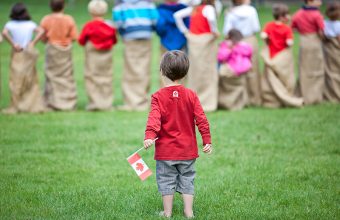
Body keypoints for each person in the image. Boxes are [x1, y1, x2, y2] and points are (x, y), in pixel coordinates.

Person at [144, 50, 212, 218]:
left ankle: (167, 213)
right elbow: (201, 119)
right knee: (187, 178)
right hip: (187, 150)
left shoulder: (158, 97)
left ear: (161, 71)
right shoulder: (191, 95)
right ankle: (189, 212)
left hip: (166, 152)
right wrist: (207, 140)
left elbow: (154, 119)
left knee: (166, 180)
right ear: (185, 72)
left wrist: (149, 136)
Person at [113, 0, 159, 111]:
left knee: (131, 69)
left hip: (130, 36)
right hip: (146, 36)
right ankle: (142, 100)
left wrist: (123, 32)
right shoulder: (148, 3)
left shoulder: (121, 3)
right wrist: (149, 29)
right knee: (144, 68)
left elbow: (118, 20)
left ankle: (132, 101)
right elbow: (155, 19)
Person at [174, 0, 220, 112]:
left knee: (195, 70)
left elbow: (177, 15)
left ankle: (193, 100)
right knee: (207, 70)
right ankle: (207, 101)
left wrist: (185, 31)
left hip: (193, 41)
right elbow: (212, 19)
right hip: (206, 41)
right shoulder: (209, 9)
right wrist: (214, 31)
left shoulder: (194, 9)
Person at [2, 2, 45, 114]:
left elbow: (4, 33)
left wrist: (13, 44)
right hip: (28, 52)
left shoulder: (10, 24)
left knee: (16, 78)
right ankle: (29, 103)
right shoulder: (30, 24)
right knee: (30, 77)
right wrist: (33, 43)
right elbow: (41, 31)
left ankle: (17, 103)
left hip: (17, 52)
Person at [260, 3, 303, 108]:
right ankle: (286, 97)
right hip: (282, 58)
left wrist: (268, 39)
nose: (289, 16)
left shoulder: (269, 25)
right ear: (282, 16)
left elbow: (263, 35)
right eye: (288, 14)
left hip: (271, 56)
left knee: (272, 79)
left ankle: (272, 101)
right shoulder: (286, 28)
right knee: (285, 78)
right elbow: (290, 43)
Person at [78, 0, 117, 111]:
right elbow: (114, 40)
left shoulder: (89, 26)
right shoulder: (110, 26)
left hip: (93, 57)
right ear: (104, 11)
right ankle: (106, 103)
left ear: (90, 12)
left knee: (92, 77)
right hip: (106, 57)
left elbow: (81, 41)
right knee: (106, 77)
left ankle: (95, 103)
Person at [40, 0, 78, 111]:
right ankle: (68, 102)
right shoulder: (69, 19)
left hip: (52, 50)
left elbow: (42, 37)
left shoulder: (46, 19)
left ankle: (52, 102)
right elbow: (74, 37)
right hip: (65, 51)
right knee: (67, 76)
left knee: (51, 76)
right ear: (64, 5)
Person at [223, 0, 261, 106]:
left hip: (235, 43)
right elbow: (256, 28)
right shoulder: (252, 10)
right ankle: (254, 98)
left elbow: (226, 31)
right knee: (252, 69)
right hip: (250, 40)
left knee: (238, 69)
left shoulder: (230, 12)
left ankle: (242, 99)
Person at [291, 0, 325, 105]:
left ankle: (304, 94)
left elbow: (292, 27)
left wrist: (302, 31)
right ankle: (314, 97)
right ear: (310, 1)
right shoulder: (317, 14)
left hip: (303, 42)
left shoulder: (298, 13)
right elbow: (321, 31)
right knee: (316, 69)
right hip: (314, 42)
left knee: (304, 69)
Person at [155, 0, 189, 87]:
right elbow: (188, 26)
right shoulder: (184, 9)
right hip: (181, 43)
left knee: (165, 70)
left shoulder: (161, 10)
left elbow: (160, 28)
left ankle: (165, 96)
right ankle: (181, 96)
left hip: (166, 43)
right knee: (182, 69)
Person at [217, 29, 252, 110]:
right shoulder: (226, 46)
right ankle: (231, 104)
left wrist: (232, 49)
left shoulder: (243, 46)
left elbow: (221, 57)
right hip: (231, 71)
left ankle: (233, 104)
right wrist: (229, 48)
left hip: (237, 71)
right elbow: (221, 57)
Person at [323, 1, 340, 103]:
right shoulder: (338, 25)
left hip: (326, 50)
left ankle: (328, 93)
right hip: (335, 51)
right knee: (336, 72)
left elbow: (323, 36)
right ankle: (337, 93)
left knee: (328, 71)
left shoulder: (324, 23)